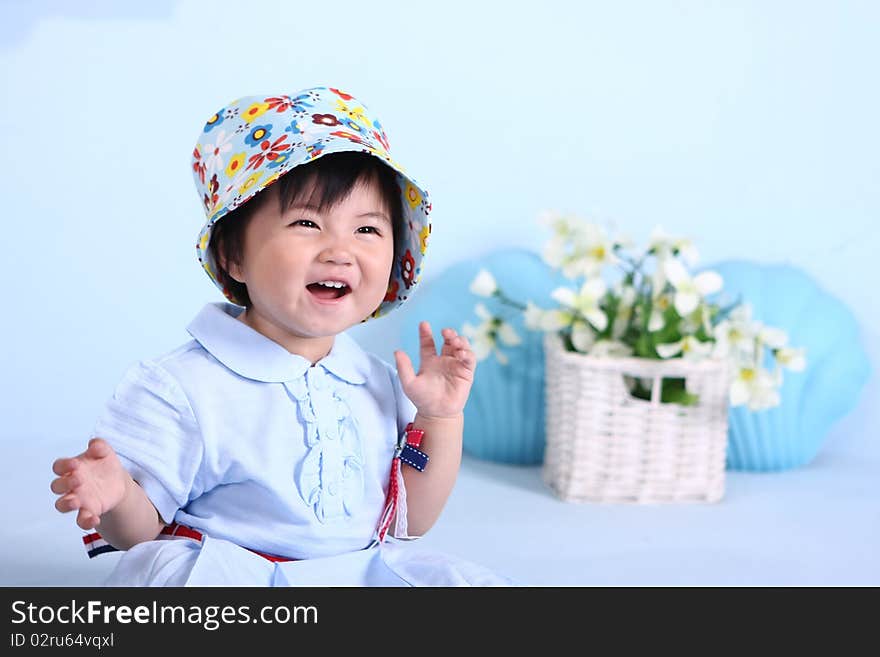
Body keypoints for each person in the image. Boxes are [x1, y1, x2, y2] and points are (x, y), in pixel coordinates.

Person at [49, 86, 510, 586]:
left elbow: (409, 523)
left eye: (367, 230)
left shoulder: (376, 381)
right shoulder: (182, 386)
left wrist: (439, 418)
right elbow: (139, 535)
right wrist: (118, 493)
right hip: (237, 578)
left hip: (356, 574)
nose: (340, 251)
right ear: (234, 257)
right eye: (307, 223)